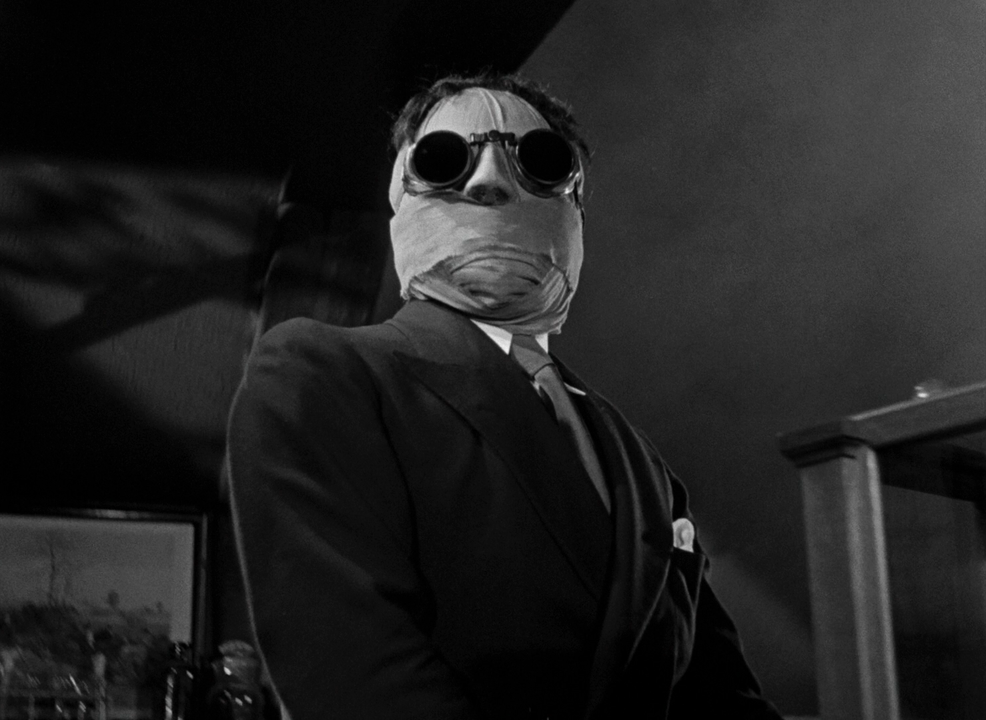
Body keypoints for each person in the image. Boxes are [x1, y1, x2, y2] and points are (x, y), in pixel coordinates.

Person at [226, 73, 783, 720]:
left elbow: (718, 693)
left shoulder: (642, 464)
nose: (488, 182)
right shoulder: (325, 375)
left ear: (576, 207)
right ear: (402, 198)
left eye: (539, 161)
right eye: (443, 162)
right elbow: (354, 672)